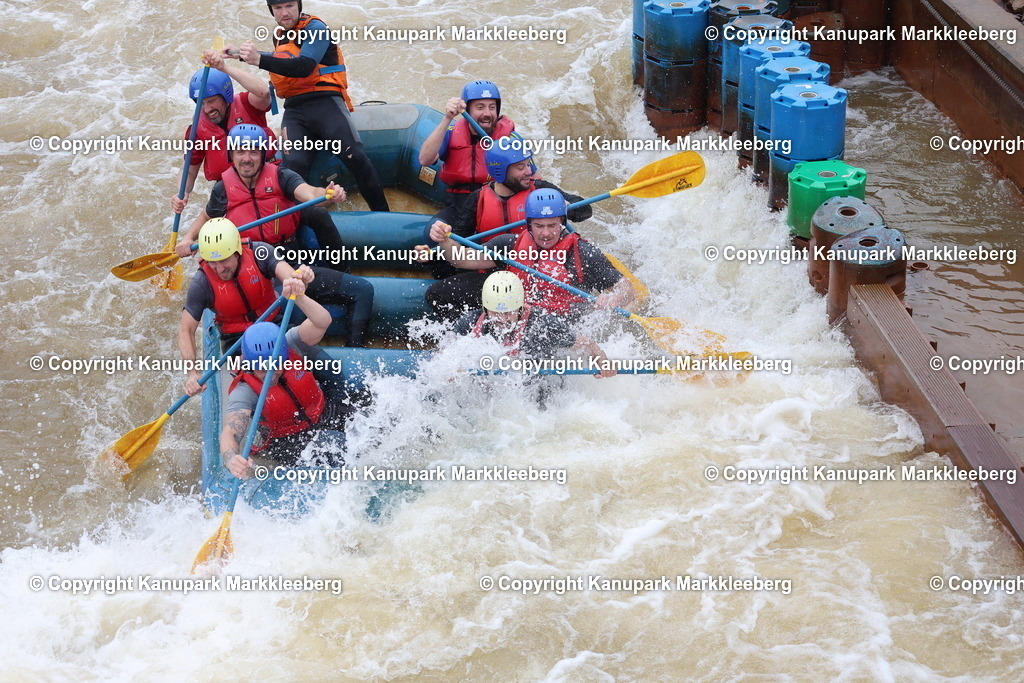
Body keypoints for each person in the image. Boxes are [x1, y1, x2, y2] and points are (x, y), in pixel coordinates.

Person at [178, 218, 372, 396]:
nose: (219, 269)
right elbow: (186, 330)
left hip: (276, 325)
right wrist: (192, 373)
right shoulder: (202, 282)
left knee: (328, 370)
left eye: (224, 260)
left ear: (237, 250)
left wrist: (300, 278)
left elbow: (289, 276)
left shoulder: (259, 252)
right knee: (266, 391)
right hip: (238, 343)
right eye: (213, 262)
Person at [232, 0, 390, 211]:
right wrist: (238, 55)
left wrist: (258, 59)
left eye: (289, 6)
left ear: (299, 5)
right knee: (292, 170)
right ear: (272, 12)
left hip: (325, 101)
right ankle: (299, 230)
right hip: (295, 110)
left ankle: (381, 213)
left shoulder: (316, 28)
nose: (284, 12)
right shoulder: (279, 35)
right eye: (278, 8)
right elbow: (282, 58)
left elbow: (305, 65)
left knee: (355, 156)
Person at [420, 139, 595, 317]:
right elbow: (460, 246)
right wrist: (442, 242)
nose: (529, 171)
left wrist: (566, 205)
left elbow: (585, 210)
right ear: (500, 171)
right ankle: (478, 329)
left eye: (528, 165)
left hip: (536, 273)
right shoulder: (477, 199)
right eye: (521, 168)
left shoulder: (540, 191)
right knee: (436, 294)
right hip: (493, 273)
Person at [429, 189, 636, 319]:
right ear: (528, 224)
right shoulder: (510, 244)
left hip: (560, 326)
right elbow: (461, 259)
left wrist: (615, 299)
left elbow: (627, 289)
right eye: (539, 226)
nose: (546, 233)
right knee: (442, 296)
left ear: (562, 223)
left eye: (552, 225)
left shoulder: (583, 253)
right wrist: (445, 241)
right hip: (515, 317)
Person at [175, 124, 349, 271]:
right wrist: (188, 238)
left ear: (263, 155)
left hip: (286, 249)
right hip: (252, 255)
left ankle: (342, 268)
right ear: (232, 155)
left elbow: (310, 193)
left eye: (254, 152)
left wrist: (328, 194)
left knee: (319, 214)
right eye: (240, 152)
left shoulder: (282, 176)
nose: (246, 159)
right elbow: (208, 216)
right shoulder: (223, 189)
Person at [221, 284, 352, 478]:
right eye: (261, 368)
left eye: (275, 364)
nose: (269, 373)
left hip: (323, 412)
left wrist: (299, 296)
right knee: (331, 447)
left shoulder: (290, 343)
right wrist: (232, 458)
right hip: (288, 441)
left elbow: (322, 321)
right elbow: (230, 433)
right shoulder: (245, 389)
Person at [452, 271, 616, 378]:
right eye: (496, 313)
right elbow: (447, 353)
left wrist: (602, 362)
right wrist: (451, 370)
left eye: (509, 312)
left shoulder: (543, 325)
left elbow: (588, 344)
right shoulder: (470, 322)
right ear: (485, 309)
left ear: (520, 307)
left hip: (540, 383)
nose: (502, 320)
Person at [171, 51, 275, 215]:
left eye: (212, 101)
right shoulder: (196, 130)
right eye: (202, 103)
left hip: (265, 173)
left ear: (225, 96)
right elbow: (189, 169)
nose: (207, 109)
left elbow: (264, 92)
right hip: (230, 186)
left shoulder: (247, 103)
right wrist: (182, 192)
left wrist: (224, 67)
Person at [418, 80, 516, 209]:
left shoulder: (509, 138)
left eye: (492, 107)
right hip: (458, 205)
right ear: (467, 110)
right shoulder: (451, 133)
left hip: (493, 204)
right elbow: (425, 159)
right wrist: (447, 118)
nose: (487, 113)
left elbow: (530, 176)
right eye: (480, 107)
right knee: (432, 229)